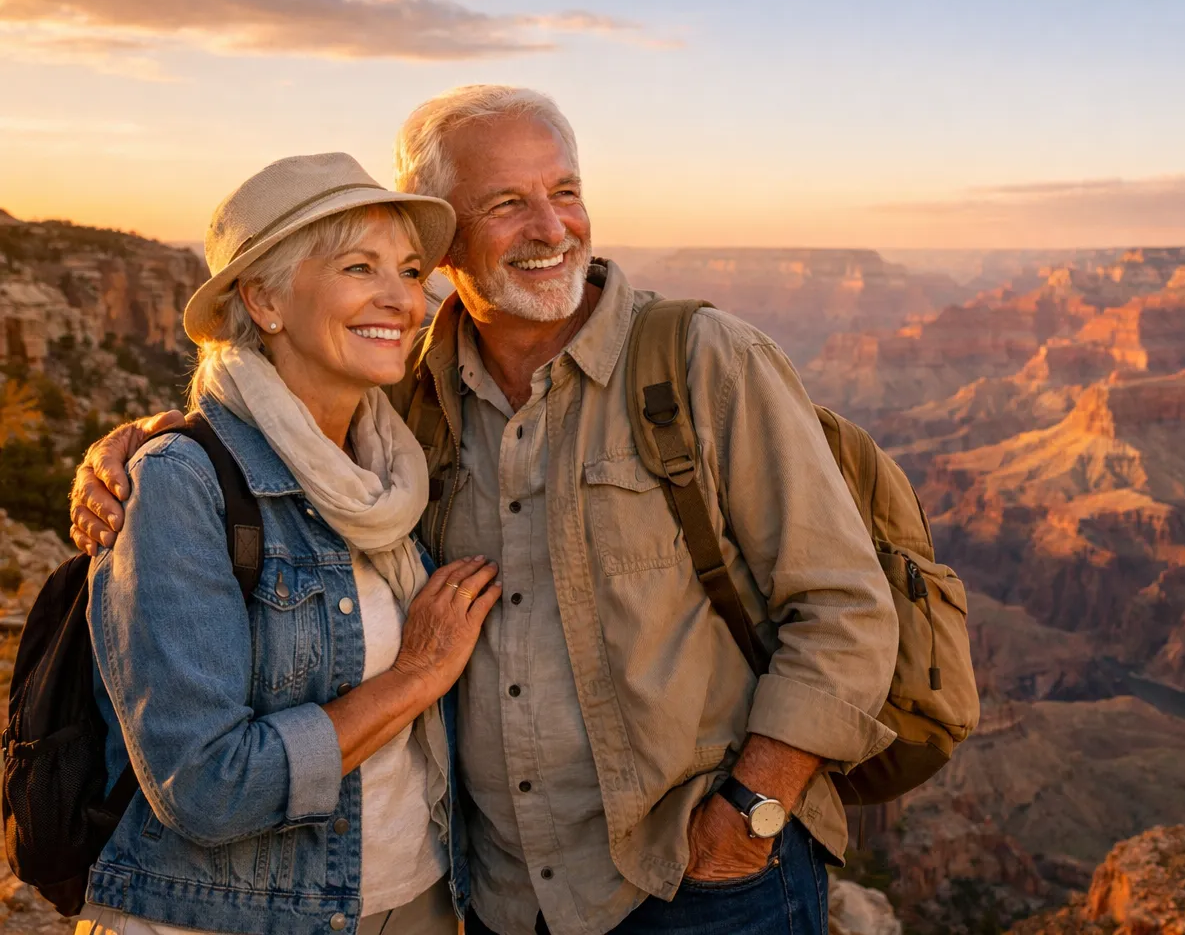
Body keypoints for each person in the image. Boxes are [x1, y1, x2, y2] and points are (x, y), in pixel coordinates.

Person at [71, 87, 900, 935]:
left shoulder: (704, 362)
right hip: (505, 897)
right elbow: (268, 433)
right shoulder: (412, 402)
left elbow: (844, 611)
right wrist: (150, 447)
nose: (551, 228)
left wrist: (746, 824)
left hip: (696, 881)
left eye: (565, 192)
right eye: (507, 204)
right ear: (448, 241)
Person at [76, 153, 502, 935]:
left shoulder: (396, 464)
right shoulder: (181, 483)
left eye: (410, 272)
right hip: (241, 916)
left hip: (419, 901)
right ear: (265, 299)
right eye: (359, 267)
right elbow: (204, 785)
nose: (401, 300)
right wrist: (417, 674)